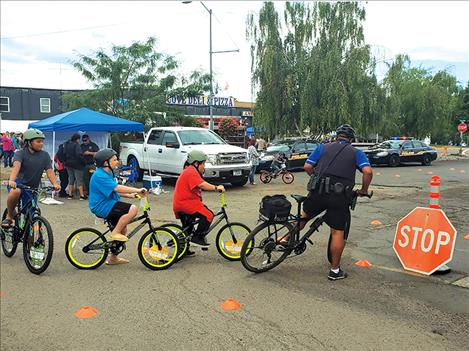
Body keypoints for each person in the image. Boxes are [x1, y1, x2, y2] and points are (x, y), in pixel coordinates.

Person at [300, 124, 372, 281]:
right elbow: (367, 171)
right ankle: (334, 270)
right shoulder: (356, 153)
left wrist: (315, 177)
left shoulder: (323, 147)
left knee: (304, 216)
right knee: (337, 232)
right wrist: (364, 190)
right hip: (339, 197)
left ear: (336, 136)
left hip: (318, 192)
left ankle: (284, 240)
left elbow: (307, 166)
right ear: (351, 140)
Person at [88, 148, 147, 265]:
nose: (117, 162)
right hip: (102, 206)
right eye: (115, 160)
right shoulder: (99, 175)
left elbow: (113, 190)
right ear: (106, 163)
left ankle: (113, 258)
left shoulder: (108, 173)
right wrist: (137, 189)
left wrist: (132, 195)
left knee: (123, 229)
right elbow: (116, 188)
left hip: (108, 203)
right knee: (132, 209)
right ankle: (114, 232)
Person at [1, 129, 60, 228]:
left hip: (32, 187)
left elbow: (49, 171)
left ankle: (33, 240)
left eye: (42, 141)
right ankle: (10, 216)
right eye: (38, 141)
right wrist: (11, 180)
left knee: (32, 215)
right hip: (18, 183)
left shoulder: (45, 155)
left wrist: (55, 184)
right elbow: (16, 167)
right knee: (15, 192)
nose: (41, 144)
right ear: (29, 142)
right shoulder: (20, 153)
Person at [172, 150, 225, 248]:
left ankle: (182, 250)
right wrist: (216, 187)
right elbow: (202, 184)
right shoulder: (191, 171)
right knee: (208, 215)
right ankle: (197, 237)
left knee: (188, 229)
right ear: (196, 163)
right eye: (203, 164)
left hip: (183, 203)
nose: (204, 166)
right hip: (186, 203)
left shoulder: (189, 170)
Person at [64, 133, 87, 200]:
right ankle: (82, 196)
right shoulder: (76, 145)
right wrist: (84, 162)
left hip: (68, 164)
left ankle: (70, 195)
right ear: (77, 139)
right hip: (77, 165)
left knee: (71, 180)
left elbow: (64, 153)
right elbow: (79, 155)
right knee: (79, 179)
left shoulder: (67, 144)